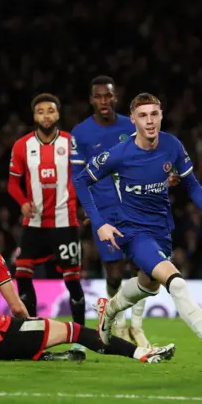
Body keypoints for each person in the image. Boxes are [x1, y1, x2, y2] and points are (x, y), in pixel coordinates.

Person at [73, 93, 202, 372]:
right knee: (176, 283)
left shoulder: (172, 145)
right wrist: (99, 223)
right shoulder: (119, 153)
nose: (149, 121)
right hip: (133, 231)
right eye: (143, 115)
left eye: (154, 114)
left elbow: (191, 183)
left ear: (161, 115)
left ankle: (110, 309)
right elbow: (82, 181)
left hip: (161, 229)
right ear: (133, 120)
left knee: (148, 286)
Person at [0, 221, 175, 364]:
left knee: (36, 337)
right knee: (74, 331)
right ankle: (142, 354)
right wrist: (33, 324)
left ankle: (45, 353)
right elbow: (16, 308)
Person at [70, 76, 147, 345]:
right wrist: (85, 207)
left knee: (143, 264)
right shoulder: (81, 133)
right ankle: (118, 322)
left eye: (108, 96)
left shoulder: (130, 126)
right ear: (92, 99)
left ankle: (137, 326)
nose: (104, 101)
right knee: (114, 273)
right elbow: (77, 174)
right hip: (103, 210)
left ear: (115, 97)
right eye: (98, 96)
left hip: (135, 206)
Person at [7, 93, 85, 354]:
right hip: (35, 224)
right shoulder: (22, 146)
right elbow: (12, 184)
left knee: (72, 281)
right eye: (40, 112)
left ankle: (80, 341)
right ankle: (33, 335)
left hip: (65, 222)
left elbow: (84, 179)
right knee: (22, 274)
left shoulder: (72, 143)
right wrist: (22, 202)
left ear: (58, 114)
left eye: (50, 111)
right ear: (34, 116)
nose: (46, 116)